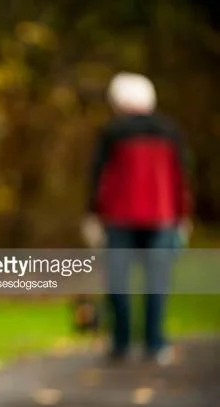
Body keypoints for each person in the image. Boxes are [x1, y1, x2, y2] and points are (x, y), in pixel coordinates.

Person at [81, 72, 193, 366]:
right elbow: (181, 177)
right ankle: (155, 343)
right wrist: (183, 216)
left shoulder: (112, 131)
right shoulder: (170, 130)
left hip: (119, 217)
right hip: (163, 217)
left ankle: (121, 341)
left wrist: (92, 214)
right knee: (157, 282)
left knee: (118, 280)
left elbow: (98, 176)